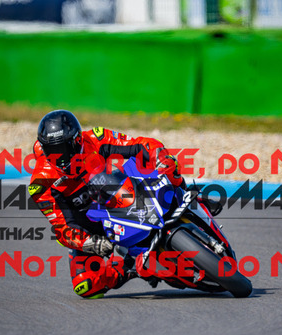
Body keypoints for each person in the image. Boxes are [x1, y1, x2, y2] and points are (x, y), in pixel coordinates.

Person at [28, 109, 219, 299]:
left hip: (121, 195)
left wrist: (161, 158)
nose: (60, 159)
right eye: (52, 152)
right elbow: (62, 228)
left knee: (167, 167)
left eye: (63, 150)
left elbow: (140, 145)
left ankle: (190, 196)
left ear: (77, 141)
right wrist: (89, 243)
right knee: (85, 286)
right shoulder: (40, 184)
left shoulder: (94, 139)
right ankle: (129, 267)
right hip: (91, 226)